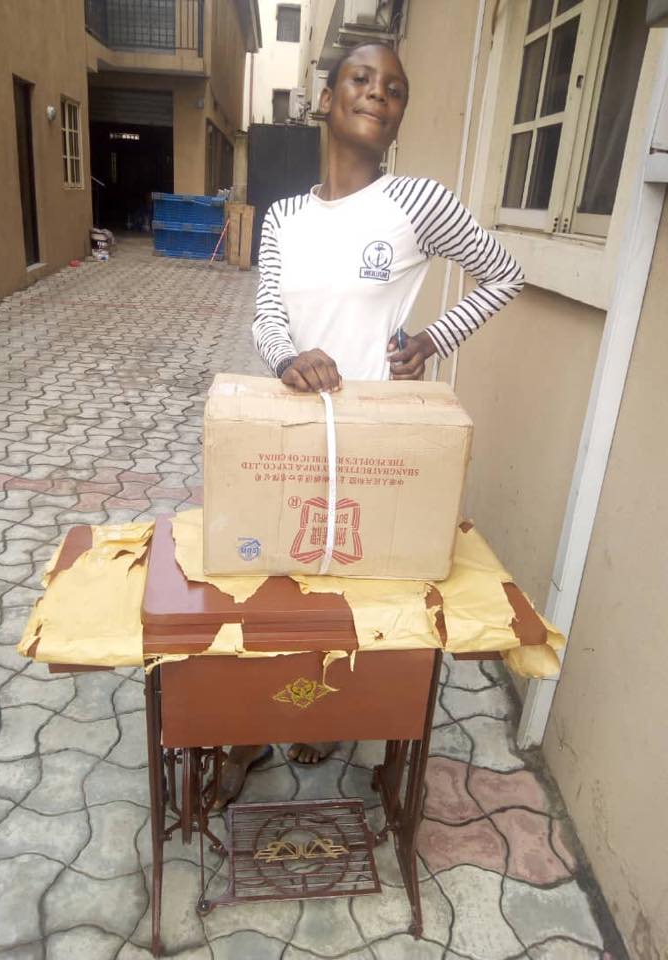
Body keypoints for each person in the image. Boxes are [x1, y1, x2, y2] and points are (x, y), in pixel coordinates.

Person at [215, 40, 525, 807]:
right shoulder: (285, 216)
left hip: (375, 435)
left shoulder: (418, 203)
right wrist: (289, 358)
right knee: (275, 582)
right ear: (327, 99)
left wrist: (432, 339)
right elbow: (267, 315)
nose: (377, 94)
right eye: (360, 79)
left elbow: (504, 274)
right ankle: (249, 730)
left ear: (398, 115)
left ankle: (353, 725)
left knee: (366, 589)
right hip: (291, 429)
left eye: (394, 88)